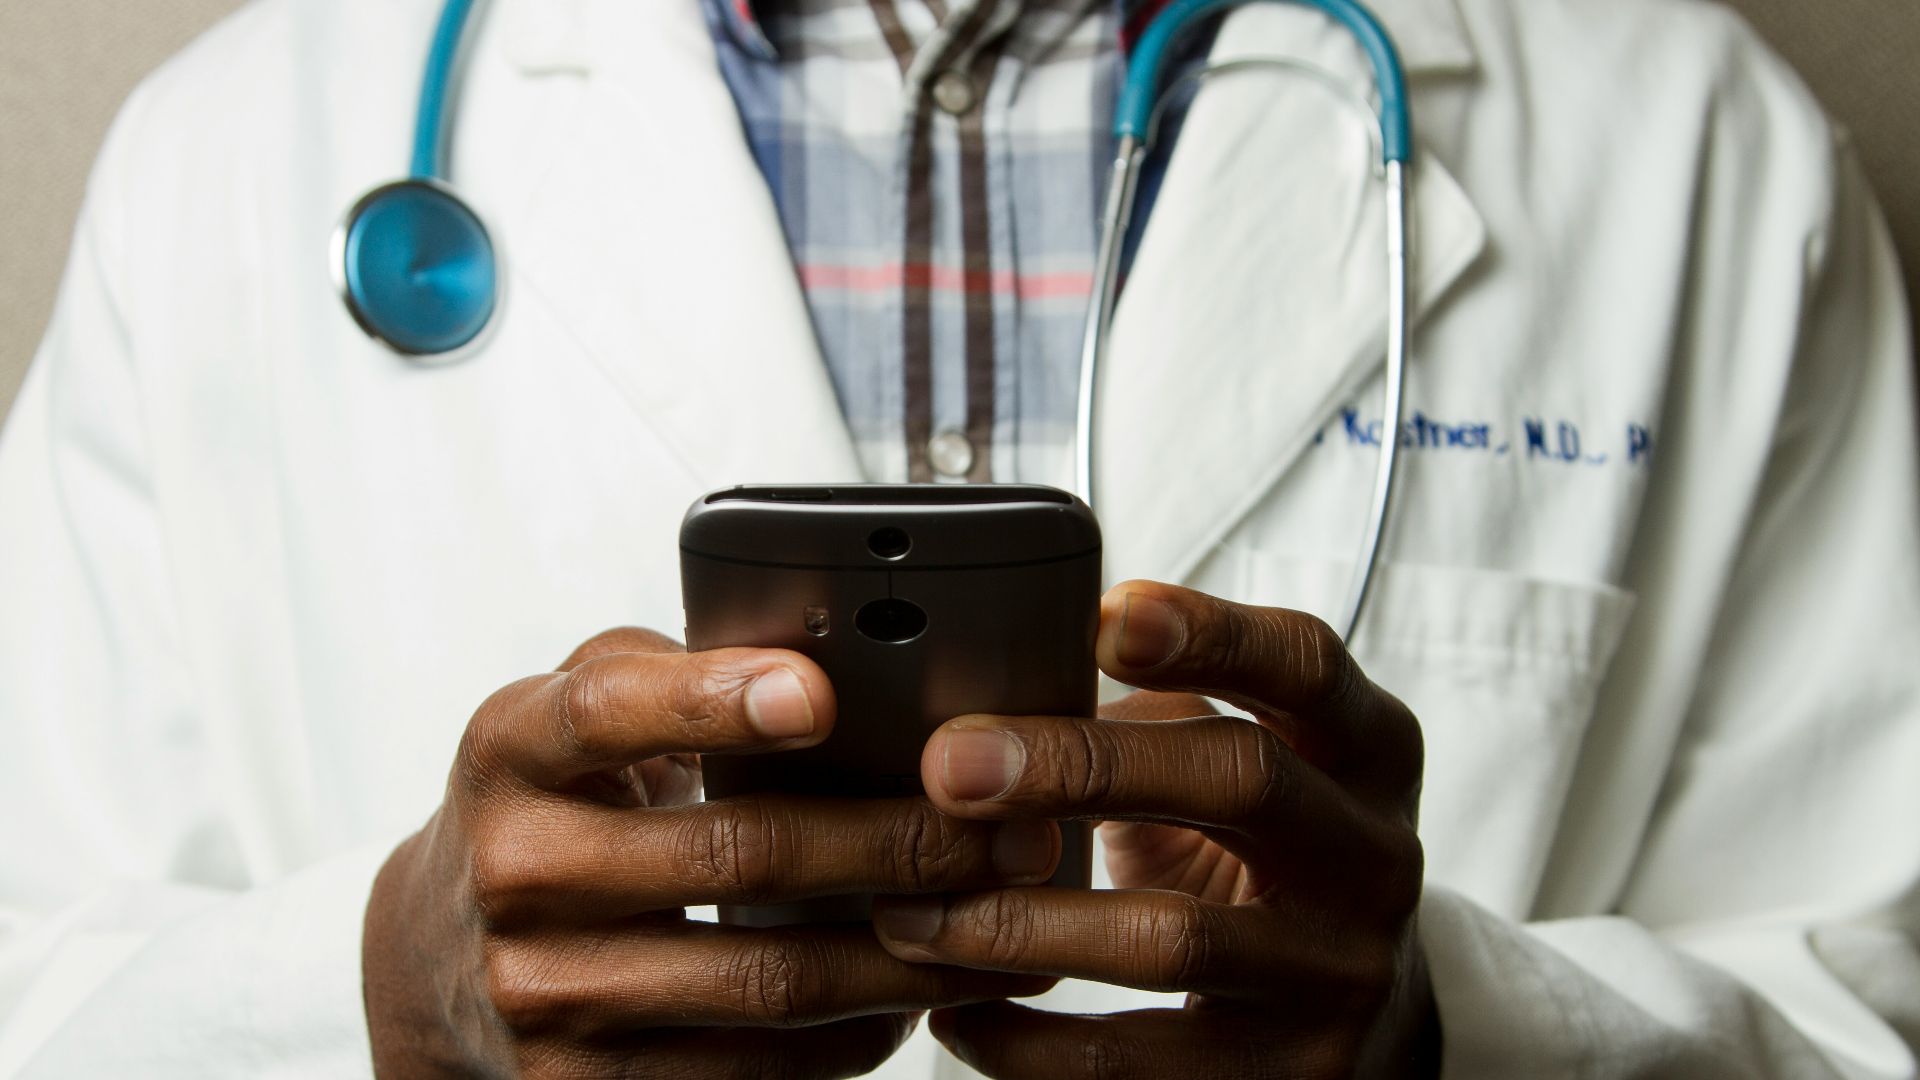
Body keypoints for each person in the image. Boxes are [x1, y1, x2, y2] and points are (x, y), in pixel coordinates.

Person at [1, 0, 1916, 1075]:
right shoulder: (227, 160)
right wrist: (377, 1003)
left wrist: (1452, 1037)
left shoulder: (1692, 144)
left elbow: (1872, 1003)